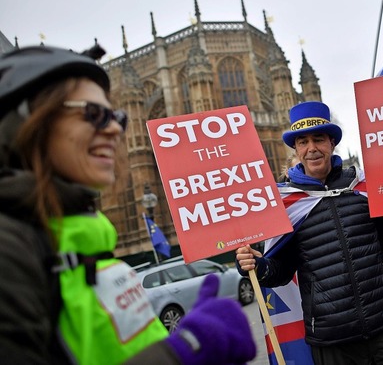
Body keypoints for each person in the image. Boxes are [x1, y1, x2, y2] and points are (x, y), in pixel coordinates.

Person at [0, 45, 256, 365]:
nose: (113, 129)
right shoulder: (9, 248)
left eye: (116, 116)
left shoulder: (87, 235)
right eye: (92, 114)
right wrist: (184, 349)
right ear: (27, 122)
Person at [236, 101, 383, 364]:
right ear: (296, 149)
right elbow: (281, 272)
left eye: (318, 139)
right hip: (332, 340)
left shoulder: (360, 187)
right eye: (303, 142)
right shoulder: (287, 203)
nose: (311, 149)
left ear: (331, 142)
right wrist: (255, 266)